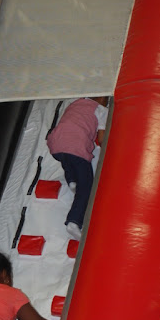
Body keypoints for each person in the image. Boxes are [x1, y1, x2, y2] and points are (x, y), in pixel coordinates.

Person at [47, 96, 109, 240]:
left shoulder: (75, 103)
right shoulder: (101, 110)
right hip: (76, 147)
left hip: (55, 144)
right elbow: (101, 139)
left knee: (66, 156)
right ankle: (74, 221)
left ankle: (71, 180)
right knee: (86, 186)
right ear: (103, 99)